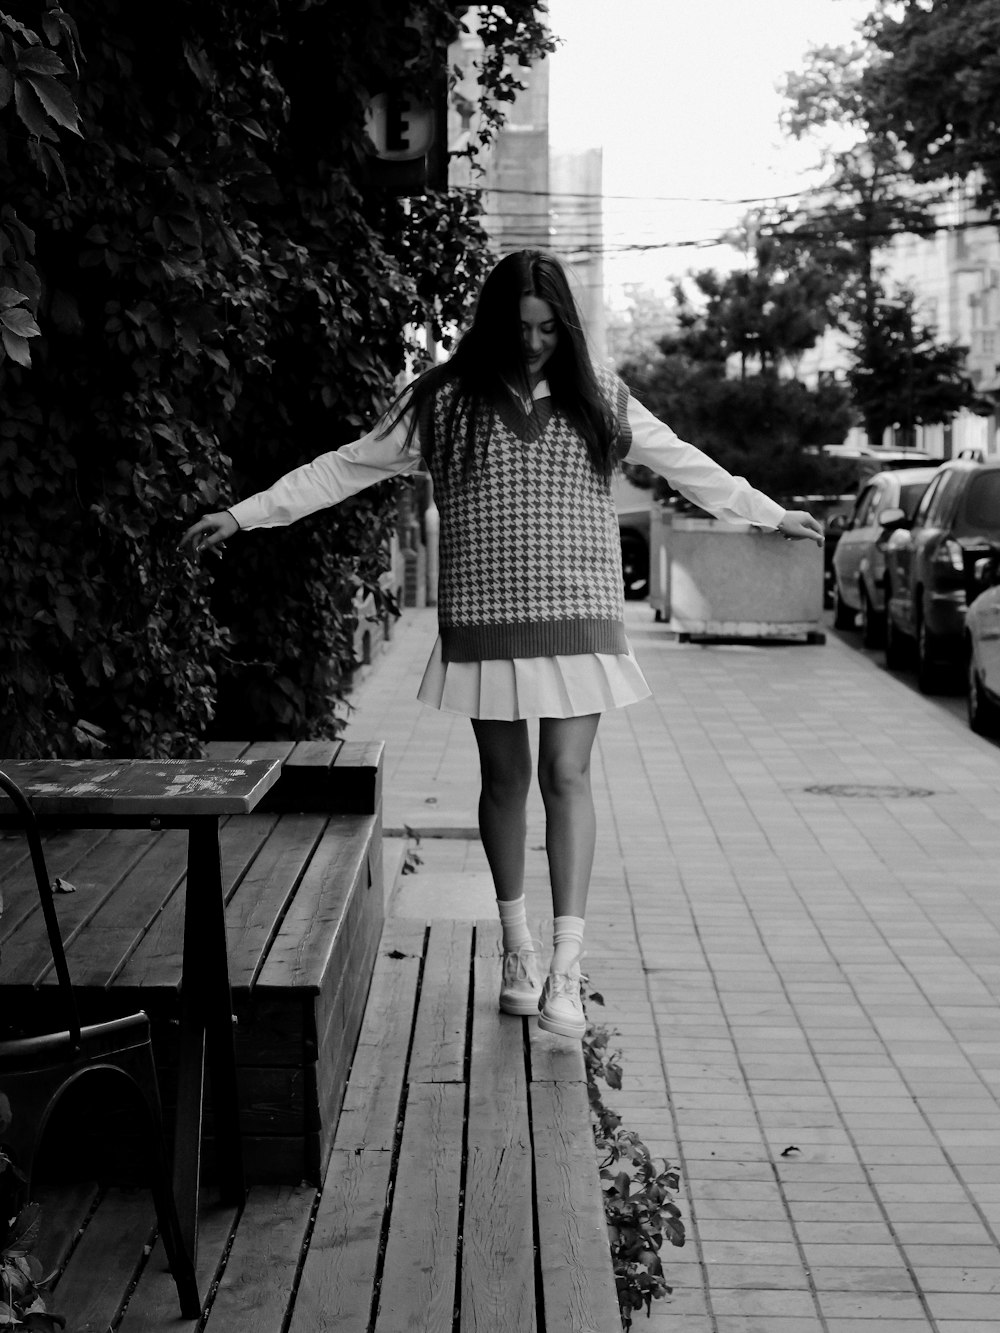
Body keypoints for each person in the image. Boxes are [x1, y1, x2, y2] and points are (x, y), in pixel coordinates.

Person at [181, 249, 823, 1041]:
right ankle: (515, 949)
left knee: (566, 774)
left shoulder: (600, 398)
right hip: (486, 619)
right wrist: (246, 514)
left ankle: (566, 964)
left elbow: (681, 461)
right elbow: (345, 466)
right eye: (520, 326)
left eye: (549, 327)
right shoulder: (442, 401)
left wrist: (767, 512)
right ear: (493, 322)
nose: (533, 341)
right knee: (505, 779)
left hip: (580, 614)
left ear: (568, 326)